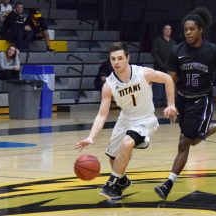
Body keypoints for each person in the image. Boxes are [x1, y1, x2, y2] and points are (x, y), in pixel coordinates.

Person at [154, 7, 216, 200]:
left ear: (201, 30)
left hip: (202, 101)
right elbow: (170, 79)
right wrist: (171, 103)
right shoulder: (177, 51)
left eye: (192, 29)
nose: (188, 33)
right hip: (183, 100)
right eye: (185, 30)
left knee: (185, 142)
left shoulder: (214, 51)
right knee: (194, 139)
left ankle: (168, 184)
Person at [75, 42, 177, 200]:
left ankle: (112, 183)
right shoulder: (109, 85)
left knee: (127, 143)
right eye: (113, 59)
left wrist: (171, 104)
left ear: (127, 58)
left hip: (145, 119)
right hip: (125, 119)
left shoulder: (143, 73)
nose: (116, 62)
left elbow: (168, 79)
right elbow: (102, 115)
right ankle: (122, 181)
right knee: (112, 157)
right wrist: (91, 136)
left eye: (120, 58)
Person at [151, 24, 176, 107]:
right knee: (158, 85)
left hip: (170, 68)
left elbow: (175, 54)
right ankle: (157, 102)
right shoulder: (157, 41)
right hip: (159, 67)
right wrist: (161, 64)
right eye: (166, 29)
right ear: (163, 30)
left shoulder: (173, 42)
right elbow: (155, 54)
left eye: (169, 29)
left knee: (169, 84)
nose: (168, 30)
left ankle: (167, 101)